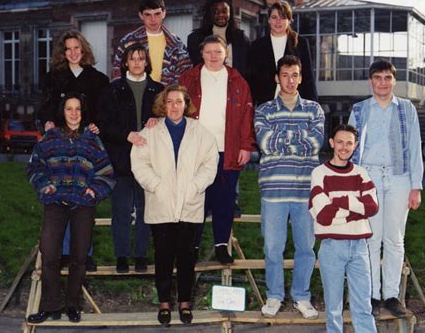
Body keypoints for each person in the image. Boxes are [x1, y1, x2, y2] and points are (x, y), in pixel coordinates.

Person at [131, 85, 218, 326]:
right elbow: (138, 162)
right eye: (169, 102)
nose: (174, 106)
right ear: (163, 104)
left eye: (179, 101)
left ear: (186, 104)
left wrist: (195, 186)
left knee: (187, 256)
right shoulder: (150, 131)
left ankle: (185, 303)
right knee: (163, 256)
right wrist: (156, 185)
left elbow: (210, 162)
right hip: (161, 203)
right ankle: (164, 304)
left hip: (190, 203)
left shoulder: (199, 132)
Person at [26, 93, 115, 324]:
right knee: (49, 254)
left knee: (79, 256)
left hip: (83, 204)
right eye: (69, 109)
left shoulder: (92, 140)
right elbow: (34, 167)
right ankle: (50, 305)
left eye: (77, 109)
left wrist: (93, 191)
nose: (74, 113)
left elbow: (106, 173)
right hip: (55, 202)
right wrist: (45, 186)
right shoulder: (49, 138)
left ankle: (73, 305)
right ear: (62, 112)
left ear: (82, 112)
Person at [348, 59, 423, 317]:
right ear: (371, 81)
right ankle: (372, 295)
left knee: (394, 239)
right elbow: (348, 147)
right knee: (370, 238)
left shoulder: (406, 109)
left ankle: (391, 295)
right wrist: (351, 183)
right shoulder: (359, 111)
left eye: (387, 78)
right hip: (368, 177)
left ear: (394, 80)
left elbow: (415, 147)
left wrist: (416, 187)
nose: (382, 83)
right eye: (377, 78)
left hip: (399, 177)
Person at [254, 55, 324, 319]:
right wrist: (299, 139)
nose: (290, 80)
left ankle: (302, 297)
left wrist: (282, 139)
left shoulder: (314, 110)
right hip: (274, 190)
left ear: (301, 77)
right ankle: (274, 295)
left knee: (306, 247)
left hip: (306, 191)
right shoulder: (264, 110)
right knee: (273, 248)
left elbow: (316, 143)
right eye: (285, 75)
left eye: (295, 75)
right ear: (277, 78)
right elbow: (265, 143)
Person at [179, 35, 255, 264]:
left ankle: (222, 245)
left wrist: (246, 145)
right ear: (201, 54)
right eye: (209, 52)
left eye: (218, 52)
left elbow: (246, 116)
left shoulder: (237, 81)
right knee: (195, 197)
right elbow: (174, 110)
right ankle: (191, 245)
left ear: (226, 54)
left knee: (224, 199)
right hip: (197, 150)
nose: (213, 56)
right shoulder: (189, 78)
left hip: (228, 149)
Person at [37, 29, 109, 272]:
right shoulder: (53, 78)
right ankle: (64, 251)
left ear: (84, 49)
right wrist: (46, 123)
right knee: (62, 197)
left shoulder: (98, 79)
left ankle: (84, 252)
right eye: (68, 48)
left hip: (86, 145)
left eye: (77, 47)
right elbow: (45, 108)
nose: (73, 52)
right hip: (60, 145)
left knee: (84, 197)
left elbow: (101, 111)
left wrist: (98, 124)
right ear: (62, 52)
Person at [97, 43, 163, 273]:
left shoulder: (159, 90)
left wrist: (158, 118)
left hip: (150, 161)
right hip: (121, 158)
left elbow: (170, 118)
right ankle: (122, 255)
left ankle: (141, 255)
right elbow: (104, 124)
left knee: (147, 209)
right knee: (121, 209)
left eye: (141, 58)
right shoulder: (112, 89)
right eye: (132, 58)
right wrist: (126, 135)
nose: (137, 63)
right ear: (125, 62)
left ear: (147, 62)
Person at [309, 124, 379, 333]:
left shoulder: (361, 173)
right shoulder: (319, 173)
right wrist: (355, 207)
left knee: (363, 305)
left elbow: (371, 206)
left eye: (349, 143)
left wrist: (339, 200)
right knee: (333, 307)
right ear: (331, 143)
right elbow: (323, 214)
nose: (344, 147)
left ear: (355, 145)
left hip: (359, 246)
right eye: (340, 142)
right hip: (332, 247)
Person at [249, 1, 317, 106]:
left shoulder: (301, 44)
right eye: (274, 17)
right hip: (266, 104)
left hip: (294, 104)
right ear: (269, 20)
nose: (278, 21)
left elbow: (308, 78)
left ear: (290, 20)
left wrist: (313, 105)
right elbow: (252, 80)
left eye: (283, 17)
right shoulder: (257, 46)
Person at [112, 0, 191, 83]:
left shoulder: (177, 44)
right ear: (141, 15)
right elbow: (117, 72)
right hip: (135, 93)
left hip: (166, 94)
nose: (153, 19)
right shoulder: (129, 41)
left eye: (157, 14)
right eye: (148, 15)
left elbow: (185, 75)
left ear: (164, 13)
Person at [187, 0, 249, 77]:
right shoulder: (195, 39)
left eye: (224, 11)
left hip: (234, 88)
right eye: (216, 12)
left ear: (230, 12)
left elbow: (246, 70)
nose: (220, 15)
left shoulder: (241, 39)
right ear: (209, 13)